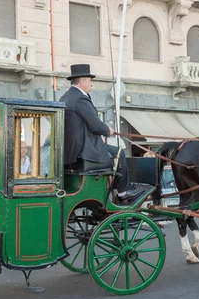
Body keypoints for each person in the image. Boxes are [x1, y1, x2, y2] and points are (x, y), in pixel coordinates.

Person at [59, 64, 140, 204]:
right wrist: (108, 130)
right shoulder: (80, 98)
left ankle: (118, 190)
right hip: (83, 150)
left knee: (114, 153)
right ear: (82, 81)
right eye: (90, 80)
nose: (91, 84)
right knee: (119, 153)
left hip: (71, 152)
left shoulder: (66, 97)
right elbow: (95, 125)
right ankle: (123, 192)